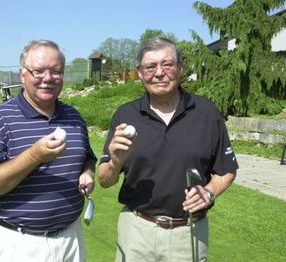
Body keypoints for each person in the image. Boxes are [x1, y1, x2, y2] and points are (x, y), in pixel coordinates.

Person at [98, 37, 238, 262]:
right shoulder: (126, 115)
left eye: (167, 64)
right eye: (151, 66)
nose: (159, 73)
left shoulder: (206, 112)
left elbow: (227, 169)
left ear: (180, 67)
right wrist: (115, 161)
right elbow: (104, 181)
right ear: (140, 72)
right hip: (136, 231)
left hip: (188, 233)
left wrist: (209, 192)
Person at [0, 40, 96, 262]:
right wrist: (35, 155)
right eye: (38, 71)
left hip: (70, 239)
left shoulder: (74, 117)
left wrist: (87, 172)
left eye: (56, 71)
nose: (47, 78)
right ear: (22, 75)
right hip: (15, 243)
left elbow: (87, 157)